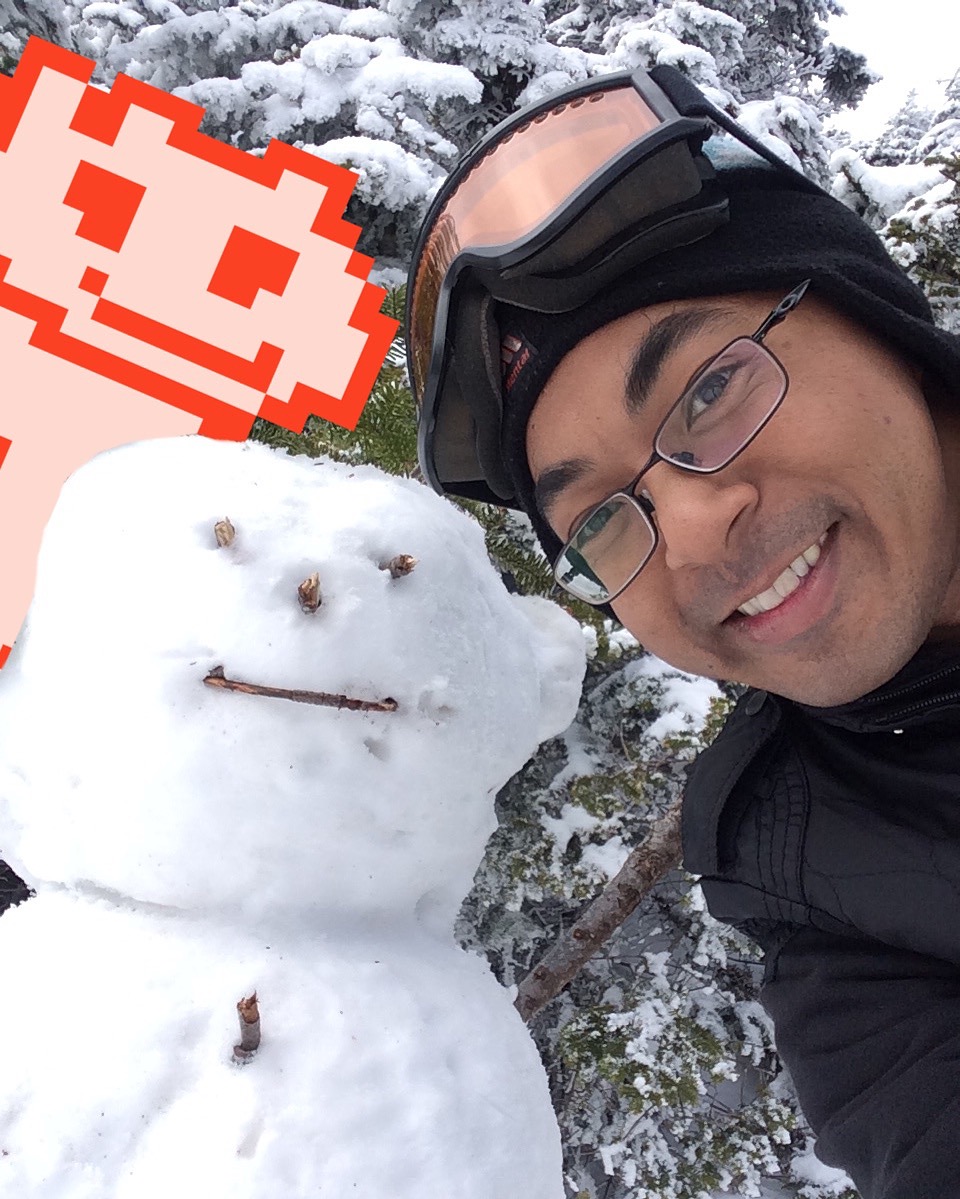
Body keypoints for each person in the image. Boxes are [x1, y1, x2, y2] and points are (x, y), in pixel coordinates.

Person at [405, 64, 960, 1199]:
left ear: (872, 312)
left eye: (709, 393)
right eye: (605, 519)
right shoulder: (799, 860)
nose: (695, 539)